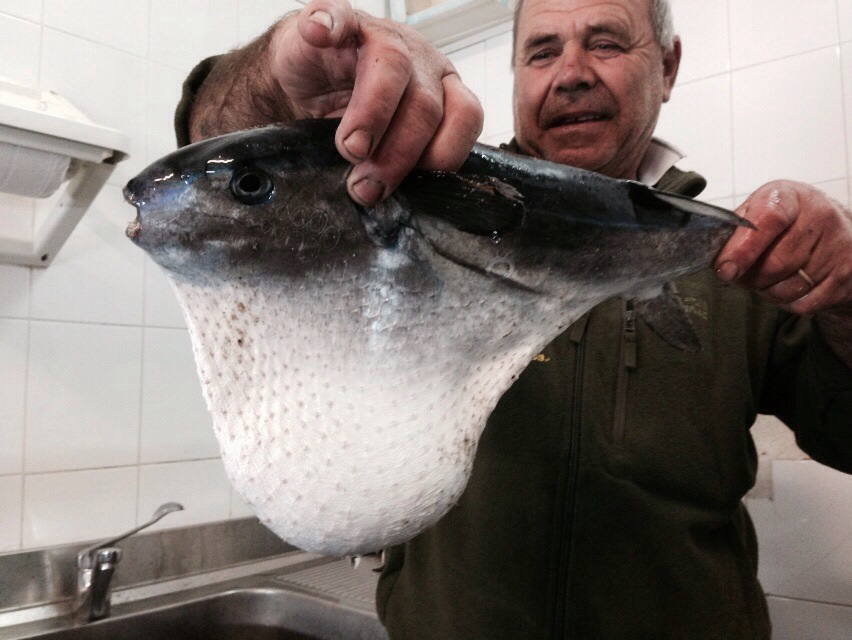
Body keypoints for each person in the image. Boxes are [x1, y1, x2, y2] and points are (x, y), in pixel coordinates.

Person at [175, 0, 852, 637]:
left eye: (606, 43)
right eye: (542, 52)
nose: (571, 74)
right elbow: (225, 155)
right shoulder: (405, 207)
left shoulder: (747, 260)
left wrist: (847, 296)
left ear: (668, 66)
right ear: (516, 74)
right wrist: (273, 77)